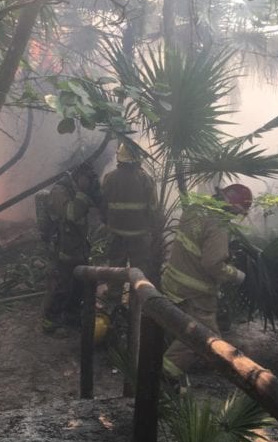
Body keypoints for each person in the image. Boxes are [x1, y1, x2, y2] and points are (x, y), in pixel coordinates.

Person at [160, 184, 252, 372]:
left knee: (179, 328)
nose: (235, 217)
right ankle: (166, 378)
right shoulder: (218, 224)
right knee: (203, 337)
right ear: (234, 207)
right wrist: (237, 275)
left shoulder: (195, 209)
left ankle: (173, 374)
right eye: (238, 213)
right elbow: (212, 264)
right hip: (195, 294)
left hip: (172, 283)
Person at [41, 163, 102, 333]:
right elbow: (71, 214)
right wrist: (83, 193)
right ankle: (50, 322)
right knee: (61, 286)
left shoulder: (78, 188)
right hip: (62, 248)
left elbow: (97, 206)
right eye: (87, 178)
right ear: (78, 176)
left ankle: (71, 316)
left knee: (79, 286)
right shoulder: (59, 190)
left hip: (78, 247)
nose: (89, 182)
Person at [101, 142, 158, 314]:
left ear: (120, 157)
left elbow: (103, 204)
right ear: (137, 158)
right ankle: (137, 308)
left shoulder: (109, 178)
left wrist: (108, 224)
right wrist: (153, 231)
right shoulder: (145, 179)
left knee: (116, 271)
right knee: (139, 273)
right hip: (139, 237)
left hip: (116, 234)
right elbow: (153, 210)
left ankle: (113, 307)